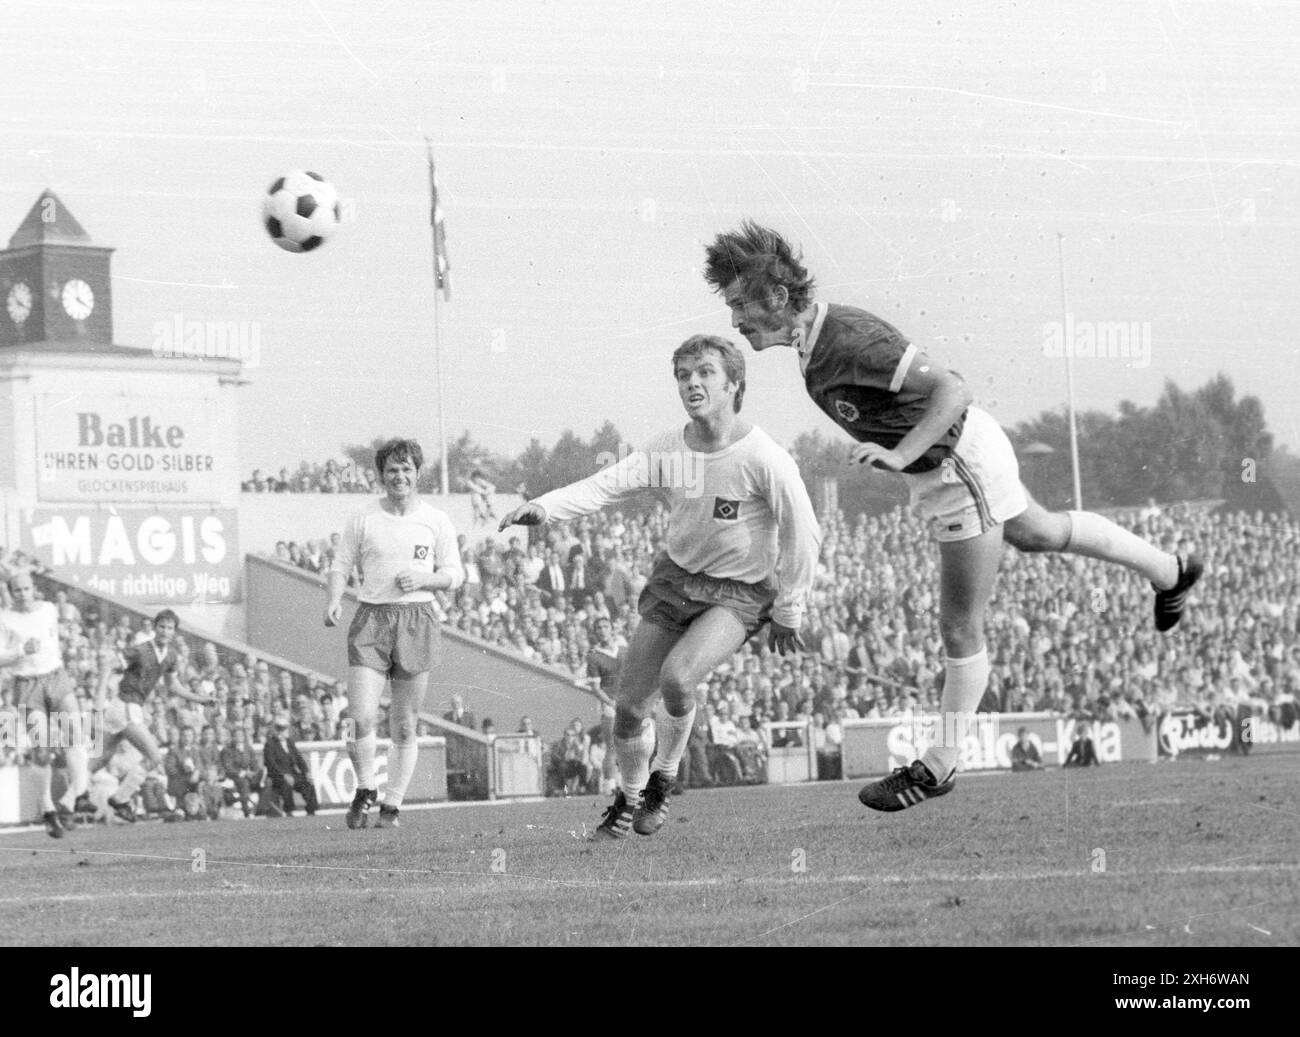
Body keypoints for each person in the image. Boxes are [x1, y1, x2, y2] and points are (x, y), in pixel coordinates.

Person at [703, 222, 1204, 812]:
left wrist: (900, 455)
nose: (735, 321)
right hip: (953, 463)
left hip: (959, 462)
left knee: (959, 625)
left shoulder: (848, 337)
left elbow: (953, 389)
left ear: (779, 298)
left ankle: (938, 766)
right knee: (1039, 533)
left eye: (740, 305)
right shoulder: (815, 347)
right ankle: (1171, 571)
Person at [500, 334, 820, 840]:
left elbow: (804, 531)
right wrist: (545, 507)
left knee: (678, 679)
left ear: (734, 383)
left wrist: (791, 608)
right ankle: (628, 799)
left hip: (739, 590)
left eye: (705, 373)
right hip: (676, 581)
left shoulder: (765, 457)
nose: (692, 383)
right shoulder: (670, 448)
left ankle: (663, 778)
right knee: (627, 710)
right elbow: (606, 484)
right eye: (683, 375)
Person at [325, 438, 464, 829]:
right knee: (360, 716)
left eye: (406, 469)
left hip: (416, 619)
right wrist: (335, 599)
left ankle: (392, 806)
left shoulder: (435, 520)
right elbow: (339, 564)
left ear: (418, 473)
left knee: (404, 723)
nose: (399, 476)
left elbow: (456, 574)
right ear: (381, 475)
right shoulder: (363, 518)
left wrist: (424, 578)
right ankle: (366, 787)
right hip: (371, 619)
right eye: (391, 470)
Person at [93, 609, 214, 822]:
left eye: (169, 628)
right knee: (154, 757)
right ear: (155, 628)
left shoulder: (171, 655)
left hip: (131, 708)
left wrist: (199, 699)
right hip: (124, 706)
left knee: (100, 759)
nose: (165, 631)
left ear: (175, 632)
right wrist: (99, 698)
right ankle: (120, 799)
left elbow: (172, 686)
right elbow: (108, 665)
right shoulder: (141, 650)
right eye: (161, 627)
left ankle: (73, 795)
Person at [0, 570, 90, 838]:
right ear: (10, 592)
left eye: (27, 589)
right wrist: (19, 652)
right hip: (28, 685)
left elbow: (57, 640)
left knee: (76, 735)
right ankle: (49, 809)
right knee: (42, 750)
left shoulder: (49, 609)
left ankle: (76, 796)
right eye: (17, 590)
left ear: (34, 589)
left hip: (56, 677)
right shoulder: (5, 618)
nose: (23, 594)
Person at [585, 616, 622, 794]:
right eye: (598, 627)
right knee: (612, 746)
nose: (602, 630)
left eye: (605, 626)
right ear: (595, 632)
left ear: (612, 628)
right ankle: (609, 785)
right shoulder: (594, 656)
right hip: (610, 705)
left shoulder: (624, 650)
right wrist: (611, 703)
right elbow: (595, 688)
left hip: (627, 703)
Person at [263, 717, 319, 816]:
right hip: (277, 776)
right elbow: (271, 764)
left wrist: (306, 771)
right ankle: (289, 810)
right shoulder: (270, 744)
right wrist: (284, 775)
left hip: (292, 773)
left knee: (307, 783)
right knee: (286, 784)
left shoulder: (289, 742)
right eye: (279, 728)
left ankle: (311, 810)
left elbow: (299, 759)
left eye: (284, 728)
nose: (282, 731)